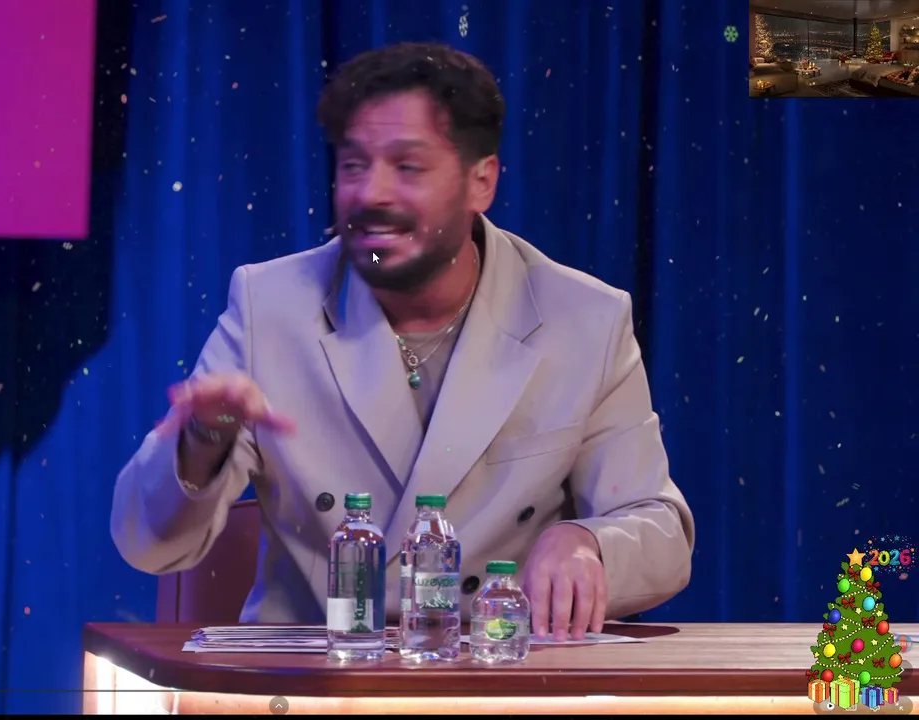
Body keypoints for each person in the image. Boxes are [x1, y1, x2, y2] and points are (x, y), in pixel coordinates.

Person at [111, 42, 695, 640]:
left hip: (497, 669)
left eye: (408, 167)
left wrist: (589, 542)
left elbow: (663, 533)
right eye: (354, 166)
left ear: (482, 181)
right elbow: (147, 545)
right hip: (315, 670)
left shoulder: (585, 321)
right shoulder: (271, 307)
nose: (373, 194)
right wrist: (203, 440)